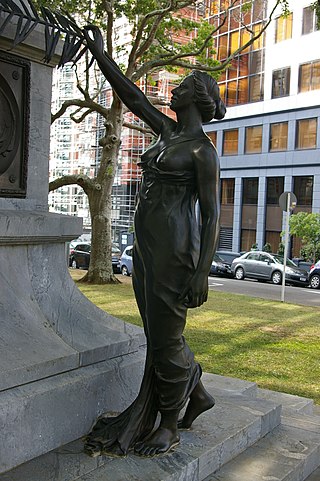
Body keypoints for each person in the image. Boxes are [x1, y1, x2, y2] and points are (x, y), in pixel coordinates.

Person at [83, 25, 226, 458]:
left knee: (165, 337)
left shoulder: (203, 151)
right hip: (147, 245)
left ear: (196, 98)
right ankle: (196, 391)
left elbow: (213, 213)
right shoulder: (167, 132)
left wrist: (202, 272)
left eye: (182, 85)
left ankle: (168, 424)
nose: (173, 89)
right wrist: (100, 52)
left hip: (176, 250)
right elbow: (133, 96)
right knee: (160, 332)